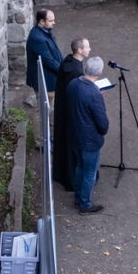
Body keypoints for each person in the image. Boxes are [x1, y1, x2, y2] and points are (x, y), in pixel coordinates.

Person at [69, 56, 111, 214]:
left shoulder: (73, 84)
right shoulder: (94, 94)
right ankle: (85, 205)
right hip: (90, 139)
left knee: (80, 167)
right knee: (89, 172)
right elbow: (102, 123)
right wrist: (98, 96)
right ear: (99, 72)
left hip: (76, 135)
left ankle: (78, 197)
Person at [52, 37, 90, 192]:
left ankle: (63, 174)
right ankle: (71, 179)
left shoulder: (68, 63)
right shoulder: (76, 71)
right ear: (80, 50)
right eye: (87, 47)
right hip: (71, 115)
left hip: (63, 111)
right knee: (71, 147)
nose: (89, 49)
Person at [25, 9, 63, 96]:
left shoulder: (45, 31)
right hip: (47, 83)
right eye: (51, 21)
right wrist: (64, 71)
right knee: (49, 107)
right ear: (42, 21)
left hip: (50, 79)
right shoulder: (38, 38)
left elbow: (56, 51)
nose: (54, 23)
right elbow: (48, 61)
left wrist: (66, 64)